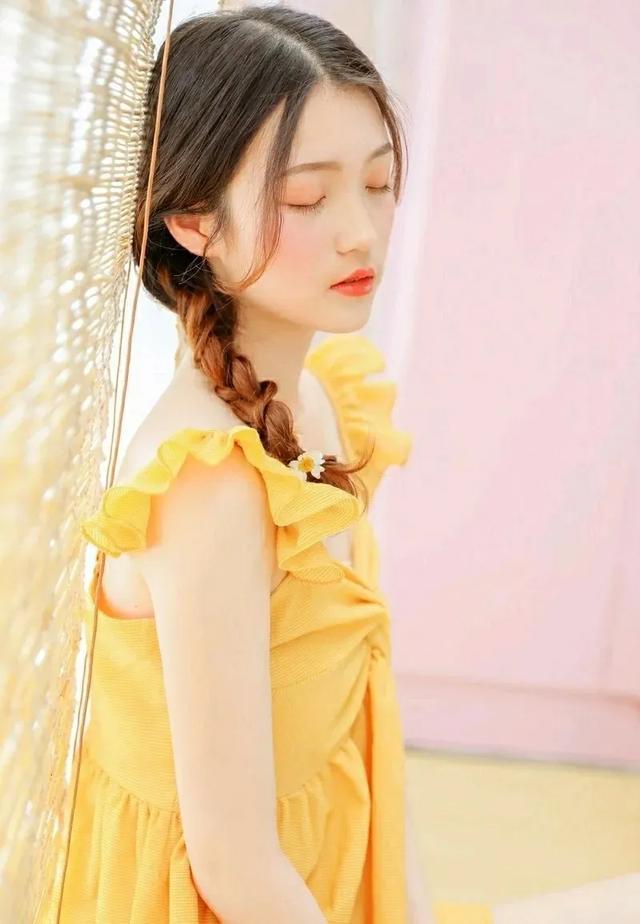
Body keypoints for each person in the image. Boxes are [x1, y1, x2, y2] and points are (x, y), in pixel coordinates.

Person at [58, 5, 433, 922]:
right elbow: (233, 866)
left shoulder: (324, 397)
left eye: (379, 182)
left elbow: (356, 722)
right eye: (307, 199)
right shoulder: (207, 485)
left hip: (323, 865)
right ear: (194, 221)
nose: (361, 232)